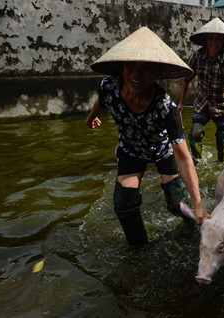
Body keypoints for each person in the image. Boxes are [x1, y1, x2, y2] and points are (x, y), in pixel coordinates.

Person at [85, 27, 210, 247]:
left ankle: (196, 228)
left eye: (146, 68)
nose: (136, 74)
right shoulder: (109, 86)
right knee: (124, 203)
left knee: (176, 203)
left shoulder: (166, 108)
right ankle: (139, 248)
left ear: (156, 73)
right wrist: (91, 118)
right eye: (131, 65)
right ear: (122, 66)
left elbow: (183, 157)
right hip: (131, 149)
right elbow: (101, 102)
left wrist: (199, 204)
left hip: (161, 151)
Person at [178, 17, 224, 163]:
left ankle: (221, 163)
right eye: (211, 38)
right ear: (206, 40)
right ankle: (197, 162)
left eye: (218, 39)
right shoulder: (196, 56)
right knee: (196, 132)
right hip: (202, 102)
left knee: (222, 138)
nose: (214, 43)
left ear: (223, 42)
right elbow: (186, 79)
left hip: (223, 105)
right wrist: (181, 103)